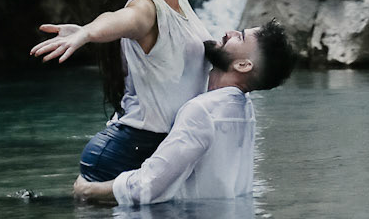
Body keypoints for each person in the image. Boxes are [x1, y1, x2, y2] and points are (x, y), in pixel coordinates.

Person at [31, 0, 210, 181]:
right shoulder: (146, 6)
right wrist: (87, 32)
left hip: (166, 147)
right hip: (127, 152)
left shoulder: (180, 0)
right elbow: (121, 18)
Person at [71, 22, 295, 208]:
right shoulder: (245, 110)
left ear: (243, 65)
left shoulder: (203, 111)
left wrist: (88, 190)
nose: (229, 32)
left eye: (240, 37)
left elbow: (149, 185)